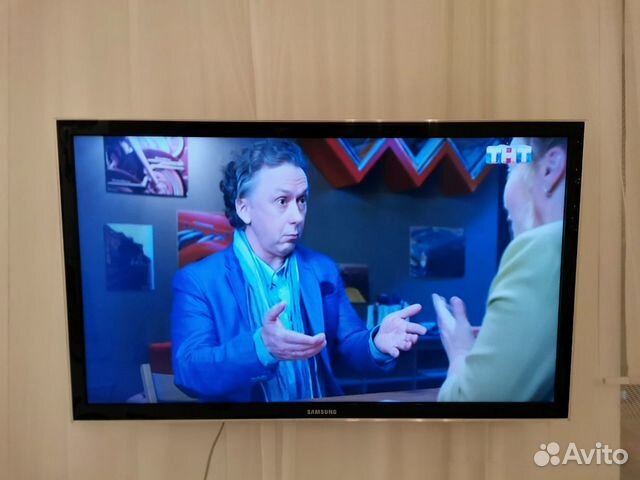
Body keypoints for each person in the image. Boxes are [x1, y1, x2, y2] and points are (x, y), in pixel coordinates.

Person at [171, 139, 426, 401]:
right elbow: (189, 372)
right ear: (244, 209)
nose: (297, 216)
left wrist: (376, 343)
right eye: (282, 201)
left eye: (301, 200)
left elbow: (348, 341)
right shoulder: (198, 281)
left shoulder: (322, 269)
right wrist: (261, 348)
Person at [433, 137, 567, 402]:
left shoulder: (539, 249)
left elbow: (468, 406)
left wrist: (460, 351)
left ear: (550, 167)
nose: (506, 194)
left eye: (512, 166)